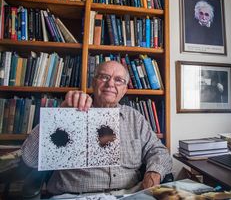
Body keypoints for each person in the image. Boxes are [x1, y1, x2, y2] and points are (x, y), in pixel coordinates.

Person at [21, 61, 173, 195]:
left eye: (118, 80)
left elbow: (157, 150)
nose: (110, 84)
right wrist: (60, 116)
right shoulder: (71, 112)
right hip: (75, 195)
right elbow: (30, 159)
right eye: (104, 77)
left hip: (129, 194)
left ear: (125, 89)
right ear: (93, 83)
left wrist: (154, 172)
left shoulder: (134, 117)